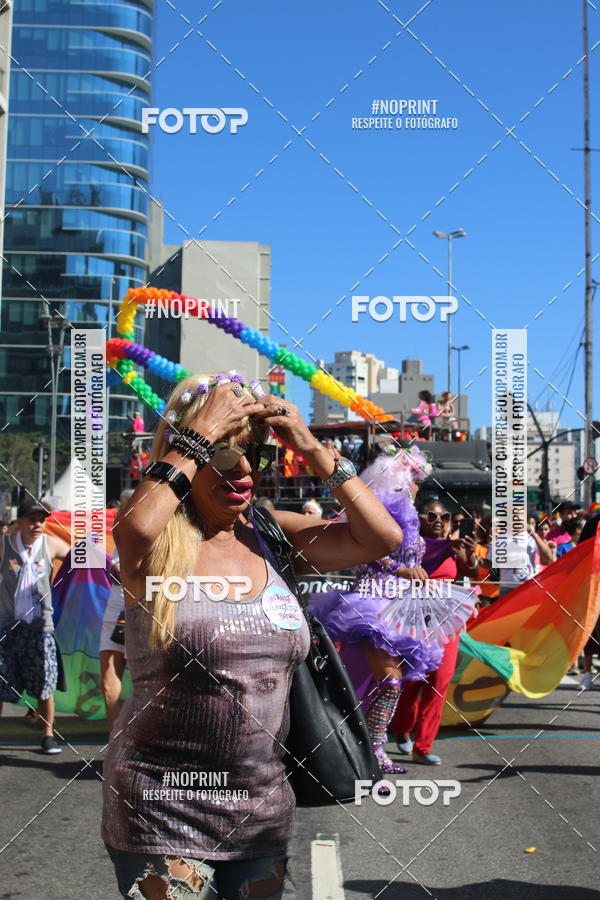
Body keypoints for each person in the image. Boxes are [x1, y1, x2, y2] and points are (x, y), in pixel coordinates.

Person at [102, 372, 402, 899]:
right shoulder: (153, 540)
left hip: (260, 809)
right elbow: (136, 527)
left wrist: (309, 447)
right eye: (221, 454)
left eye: (255, 458)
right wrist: (200, 428)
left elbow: (381, 537)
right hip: (159, 803)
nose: (243, 471)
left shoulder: (269, 535)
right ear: (188, 453)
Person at [309, 448, 477, 775]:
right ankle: (372, 747)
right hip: (371, 604)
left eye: (416, 479)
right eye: (411, 478)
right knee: (389, 681)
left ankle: (360, 742)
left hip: (402, 609)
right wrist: (399, 569)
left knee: (370, 682)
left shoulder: (411, 515)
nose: (416, 485)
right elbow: (368, 549)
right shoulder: (382, 507)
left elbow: (419, 559)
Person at [392, 496, 477, 765]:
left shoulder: (454, 546)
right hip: (417, 620)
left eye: (445, 517)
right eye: (432, 516)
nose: (439, 522)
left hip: (448, 622)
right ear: (421, 520)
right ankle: (402, 727)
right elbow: (415, 565)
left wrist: (470, 554)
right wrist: (445, 548)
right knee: (413, 681)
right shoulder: (413, 546)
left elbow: (471, 570)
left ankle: (423, 746)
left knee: (439, 683)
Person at [0, 499, 70, 753]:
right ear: (19, 522)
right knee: (0, 684)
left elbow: (84, 558)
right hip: (7, 627)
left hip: (40, 628)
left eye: (42, 520)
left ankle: (48, 735)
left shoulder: (50, 544)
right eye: (32, 519)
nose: (38, 524)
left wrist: (111, 564)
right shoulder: (5, 544)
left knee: (44, 684)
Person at [100, 488, 134, 730]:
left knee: (149, 688)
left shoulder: (160, 531)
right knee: (108, 686)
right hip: (115, 612)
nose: (121, 512)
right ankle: (115, 744)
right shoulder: (120, 533)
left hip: (146, 613)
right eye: (121, 508)